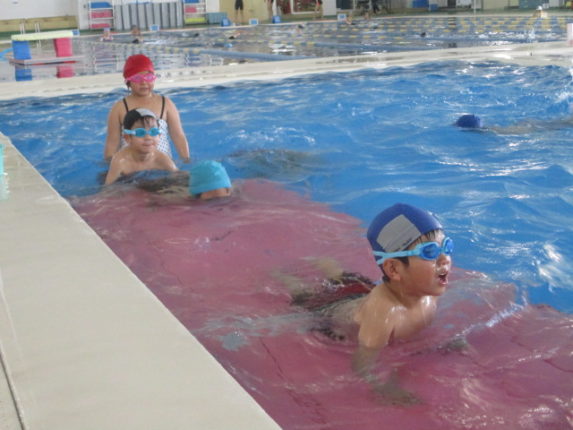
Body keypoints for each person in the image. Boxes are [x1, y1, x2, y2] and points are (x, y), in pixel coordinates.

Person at [290, 203, 453, 404]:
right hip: (328, 311)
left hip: (360, 293)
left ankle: (325, 263)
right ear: (394, 269)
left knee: (342, 277)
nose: (445, 259)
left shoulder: (429, 291)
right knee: (302, 293)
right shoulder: (385, 313)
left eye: (446, 247)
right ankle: (283, 274)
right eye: (429, 252)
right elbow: (362, 363)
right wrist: (382, 387)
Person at [104, 54, 190, 163]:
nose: (144, 82)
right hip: (130, 165)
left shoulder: (166, 104)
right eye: (137, 78)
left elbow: (178, 136)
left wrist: (186, 160)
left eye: (148, 77)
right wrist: (110, 165)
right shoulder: (119, 108)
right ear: (128, 81)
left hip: (162, 165)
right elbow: (112, 142)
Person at [105, 108, 177, 185]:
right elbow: (108, 188)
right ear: (127, 138)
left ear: (159, 135)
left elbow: (179, 178)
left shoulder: (162, 160)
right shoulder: (120, 161)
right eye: (140, 132)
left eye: (153, 131)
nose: (148, 137)